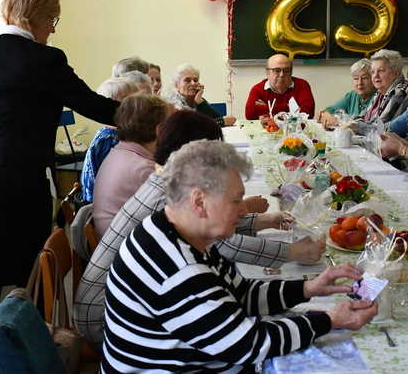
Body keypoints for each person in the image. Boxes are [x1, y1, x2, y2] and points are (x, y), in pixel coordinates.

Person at [0, 0, 120, 363]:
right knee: (34, 269)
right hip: (11, 173)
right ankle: (31, 359)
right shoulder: (46, 59)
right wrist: (148, 117)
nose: (53, 29)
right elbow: (93, 104)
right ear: (38, 17)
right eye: (53, 19)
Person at [100, 140, 378, 372]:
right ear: (199, 202)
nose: (243, 212)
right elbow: (249, 345)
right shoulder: (180, 270)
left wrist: (308, 288)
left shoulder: (174, 229)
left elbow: (238, 293)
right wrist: (331, 320)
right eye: (235, 201)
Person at [74, 111, 327, 347]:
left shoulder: (171, 187)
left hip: (115, 305)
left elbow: (221, 243)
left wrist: (261, 223)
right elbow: (227, 247)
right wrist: (293, 253)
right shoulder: (175, 227)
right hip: (101, 315)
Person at [92, 94, 171, 237]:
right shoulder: (143, 169)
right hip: (123, 250)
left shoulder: (119, 153)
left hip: (110, 241)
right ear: (160, 130)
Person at [80, 78, 139, 202]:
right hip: (101, 208)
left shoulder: (120, 134)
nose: (137, 105)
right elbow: (114, 185)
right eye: (130, 100)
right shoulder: (109, 139)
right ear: (110, 104)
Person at [245, 53, 315, 119]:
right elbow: (249, 114)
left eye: (286, 70)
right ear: (267, 72)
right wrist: (292, 110)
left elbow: (308, 113)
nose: (282, 74)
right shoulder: (258, 89)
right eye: (277, 70)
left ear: (291, 72)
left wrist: (268, 109)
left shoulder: (302, 85)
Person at [355, 49, 408, 134]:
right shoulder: (379, 93)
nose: (375, 76)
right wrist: (350, 123)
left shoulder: (400, 92)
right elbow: (364, 117)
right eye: (372, 72)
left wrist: (356, 126)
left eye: (381, 71)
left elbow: (381, 127)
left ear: (396, 73)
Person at [167, 63, 237, 127]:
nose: (193, 83)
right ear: (177, 85)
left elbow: (218, 117)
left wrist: (199, 101)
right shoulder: (173, 105)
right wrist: (221, 122)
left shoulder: (197, 100)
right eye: (187, 80)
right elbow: (190, 128)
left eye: (195, 80)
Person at [317, 58, 375, 128]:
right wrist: (325, 115)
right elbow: (331, 110)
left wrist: (338, 122)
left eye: (365, 78)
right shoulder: (352, 95)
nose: (360, 83)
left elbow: (369, 125)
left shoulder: (378, 97)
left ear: (373, 79)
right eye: (356, 78)